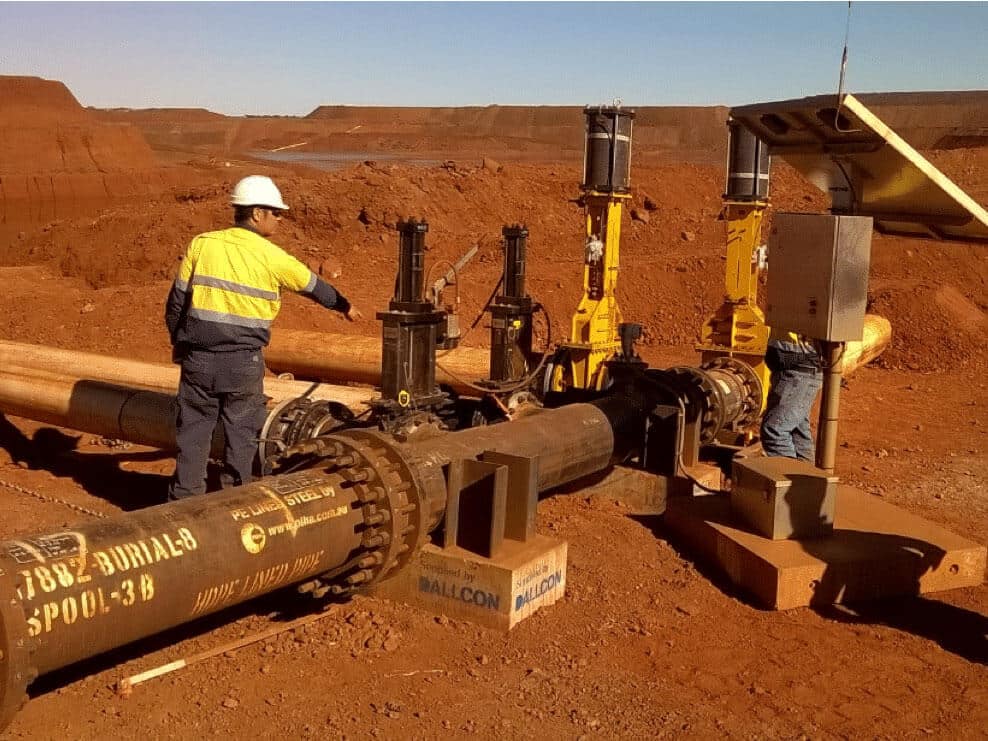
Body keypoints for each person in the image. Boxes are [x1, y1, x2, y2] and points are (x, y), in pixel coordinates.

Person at [164, 175, 361, 499]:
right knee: (241, 437)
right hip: (242, 363)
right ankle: (238, 506)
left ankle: (183, 510)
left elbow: (175, 305)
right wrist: (345, 305)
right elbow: (315, 288)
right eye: (276, 213)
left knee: (193, 435)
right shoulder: (273, 257)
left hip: (198, 357)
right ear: (257, 213)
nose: (281, 219)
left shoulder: (202, 244)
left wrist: (182, 345)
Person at [760, 330, 822, 464]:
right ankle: (807, 479)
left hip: (799, 373)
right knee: (798, 431)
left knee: (775, 430)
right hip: (796, 372)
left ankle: (788, 481)